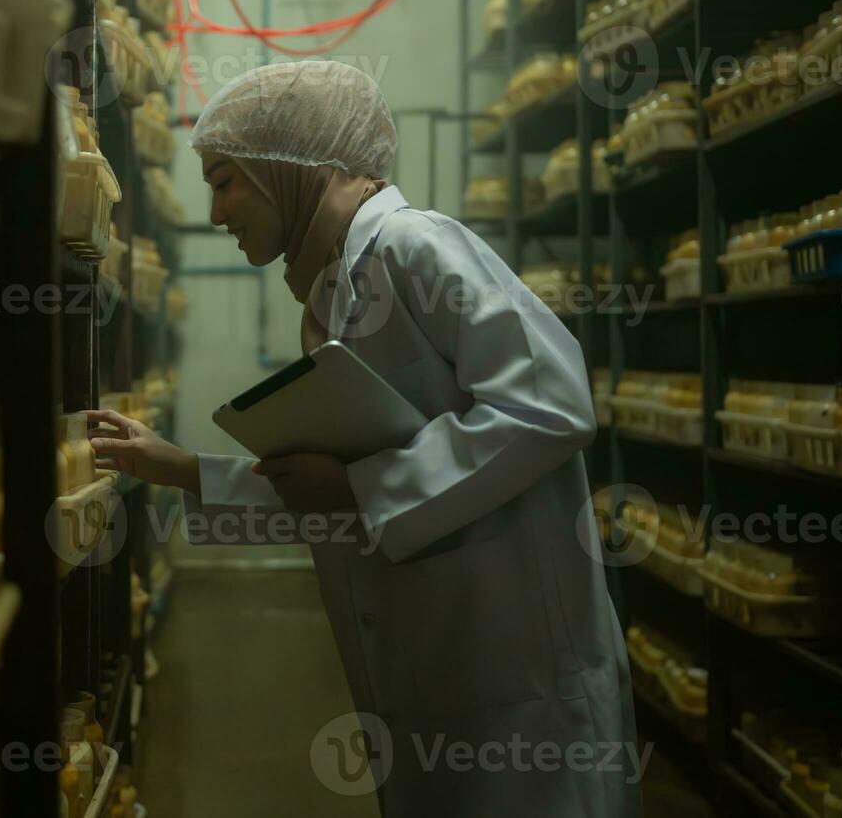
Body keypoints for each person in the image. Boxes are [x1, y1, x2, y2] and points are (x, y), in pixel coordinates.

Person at [86, 60, 642, 817]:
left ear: (291, 165)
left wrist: (360, 487)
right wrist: (180, 468)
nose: (215, 211)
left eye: (225, 180)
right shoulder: (339, 287)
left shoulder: (415, 247)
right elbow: (338, 482)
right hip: (439, 671)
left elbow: (549, 403)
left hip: (519, 679)